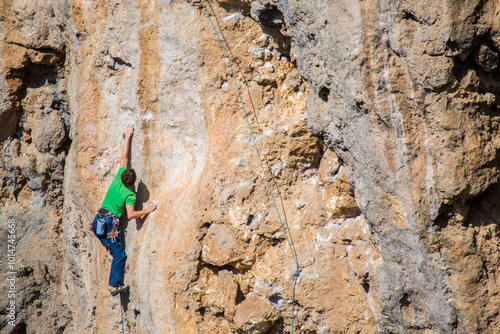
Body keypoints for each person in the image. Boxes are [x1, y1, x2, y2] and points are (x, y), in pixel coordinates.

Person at [91, 124, 157, 296]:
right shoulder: (130, 195)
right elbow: (131, 215)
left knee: (103, 236)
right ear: (132, 183)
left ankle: (108, 245)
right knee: (119, 255)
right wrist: (148, 210)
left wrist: (128, 135)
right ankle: (114, 286)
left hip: (98, 219)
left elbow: (124, 157)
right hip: (110, 223)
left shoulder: (117, 179)